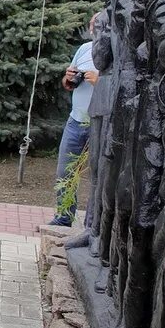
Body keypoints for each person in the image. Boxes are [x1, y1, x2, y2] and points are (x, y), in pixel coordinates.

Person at [48, 15, 99, 227]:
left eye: (100, 24)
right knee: (65, 171)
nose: (95, 28)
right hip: (76, 120)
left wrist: (99, 81)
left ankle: (92, 224)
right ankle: (64, 217)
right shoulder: (84, 48)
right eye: (93, 25)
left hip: (100, 124)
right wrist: (68, 77)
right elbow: (67, 83)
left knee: (98, 176)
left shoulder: (117, 50)